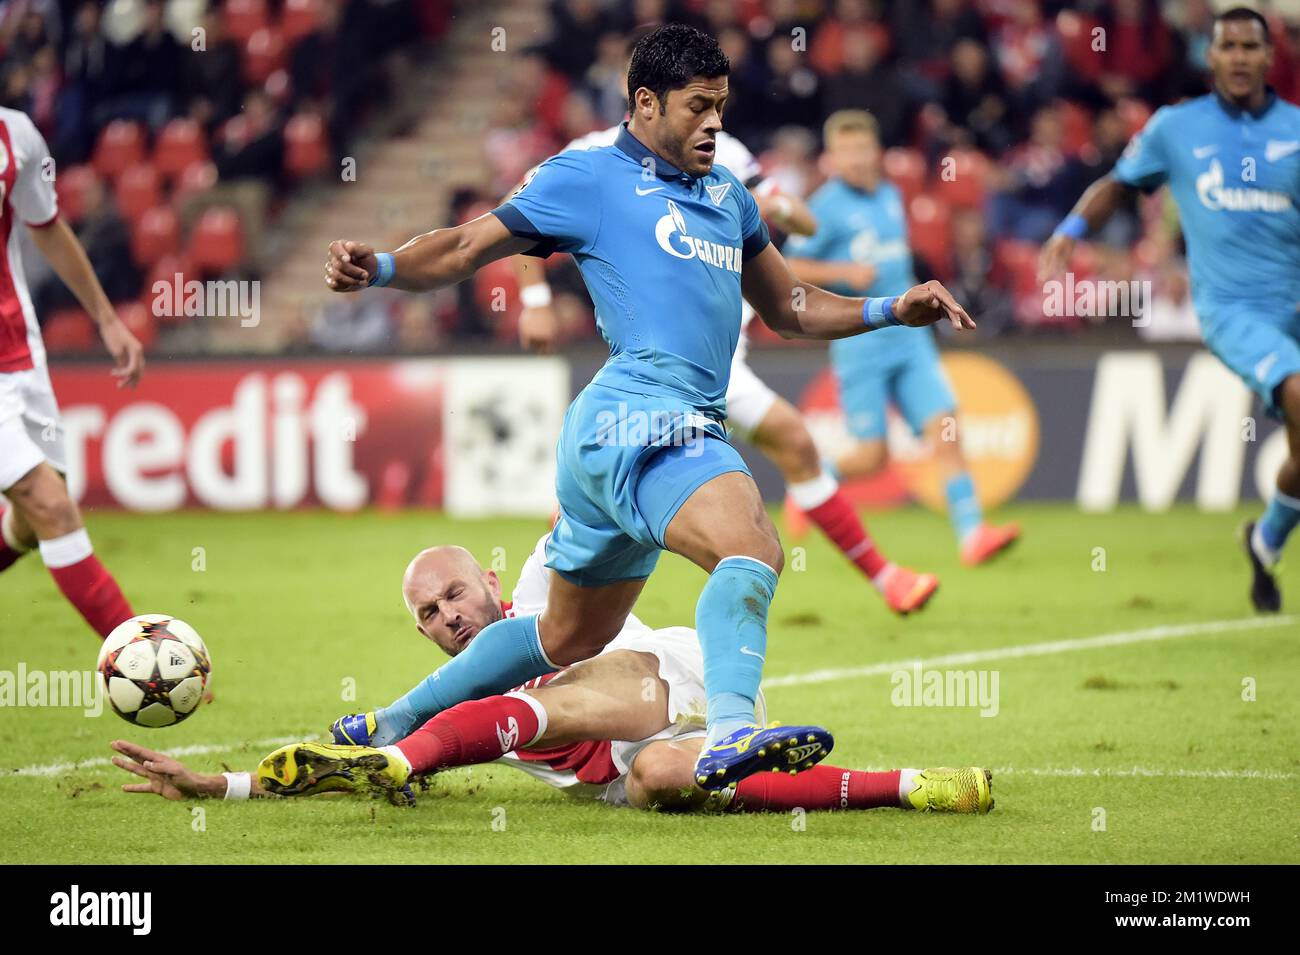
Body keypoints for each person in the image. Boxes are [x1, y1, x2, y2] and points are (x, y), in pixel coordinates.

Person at [322, 25, 976, 792]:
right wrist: (386, 266)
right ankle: (733, 731)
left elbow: (791, 305)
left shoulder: (729, 197)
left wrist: (892, 306)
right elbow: (468, 247)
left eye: (721, 108)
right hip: (643, 418)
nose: (714, 124)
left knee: (567, 633)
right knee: (752, 548)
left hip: (608, 442)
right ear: (644, 102)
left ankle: (391, 720)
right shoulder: (588, 178)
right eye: (698, 108)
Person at [109, 533, 994, 816]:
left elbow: (583, 509)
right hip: (637, 762)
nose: (447, 615)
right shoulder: (459, 691)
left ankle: (732, 730)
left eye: (454, 593)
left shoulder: (543, 579)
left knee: (564, 688)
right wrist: (217, 786)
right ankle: (921, 785)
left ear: (489, 583)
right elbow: (330, 761)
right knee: (652, 774)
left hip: (671, 677)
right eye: (428, 614)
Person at [512, 40, 938, 617]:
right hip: (662, 364)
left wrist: (779, 206)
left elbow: (796, 222)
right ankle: (881, 578)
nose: (708, 115)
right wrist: (535, 298)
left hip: (719, 357)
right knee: (764, 453)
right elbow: (517, 217)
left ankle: (548, 611)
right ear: (640, 95)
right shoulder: (590, 156)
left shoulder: (724, 150)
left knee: (620, 483)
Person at [1038, 6, 1300, 613]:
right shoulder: (1176, 129)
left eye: (1250, 47)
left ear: (1268, 57)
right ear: (1209, 57)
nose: (1238, 57)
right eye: (1227, 46)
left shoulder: (1294, 129)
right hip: (1234, 310)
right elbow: (1119, 184)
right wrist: (1074, 227)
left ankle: (1264, 541)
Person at [784, 110, 1020, 567]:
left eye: (862, 149)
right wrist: (842, 272)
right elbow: (789, 267)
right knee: (872, 457)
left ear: (875, 152)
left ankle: (973, 535)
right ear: (831, 158)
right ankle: (812, 481)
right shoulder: (823, 209)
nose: (855, 159)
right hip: (860, 341)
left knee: (945, 428)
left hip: (909, 340)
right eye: (845, 151)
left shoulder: (891, 195)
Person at [0, 106, 143, 639]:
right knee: (51, 505)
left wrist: (107, 319)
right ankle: (144, 657)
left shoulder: (17, 134)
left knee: (32, 524)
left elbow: (48, 227)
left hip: (18, 352)